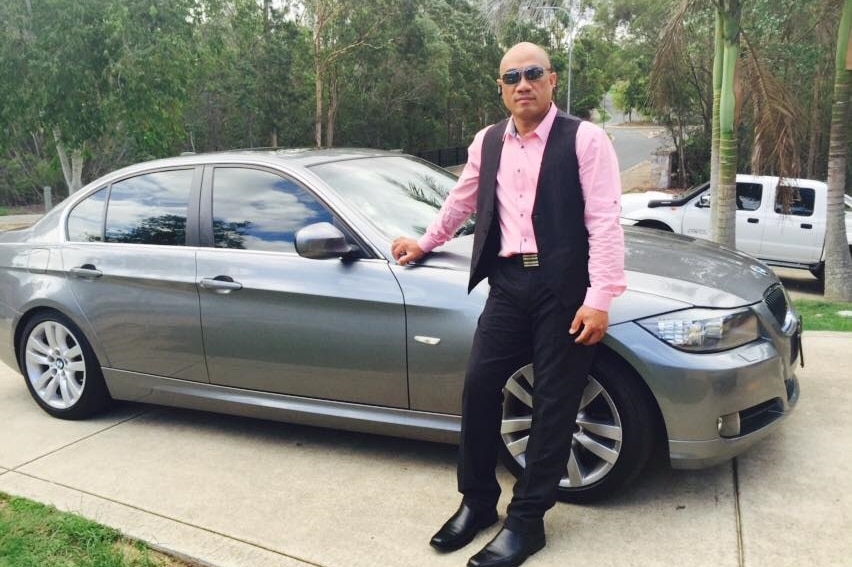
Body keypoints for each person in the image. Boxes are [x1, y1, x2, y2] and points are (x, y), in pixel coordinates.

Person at [391, 42, 626, 567]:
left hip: (565, 288)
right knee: (478, 386)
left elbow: (605, 221)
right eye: (511, 76)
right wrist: (425, 241)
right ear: (500, 87)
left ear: (552, 81)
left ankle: (527, 521)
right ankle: (477, 502)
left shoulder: (585, 140)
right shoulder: (488, 141)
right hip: (507, 284)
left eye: (533, 73)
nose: (523, 83)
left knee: (554, 401)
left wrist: (600, 297)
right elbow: (462, 200)